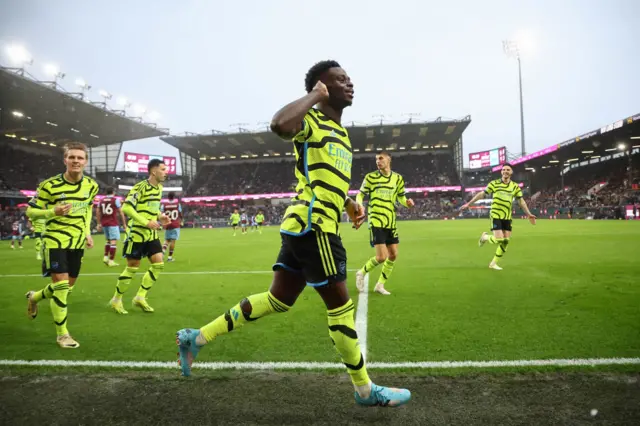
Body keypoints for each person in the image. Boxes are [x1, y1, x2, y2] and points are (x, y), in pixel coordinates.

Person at [176, 60, 411, 407]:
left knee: (277, 300)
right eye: (340, 80)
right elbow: (279, 125)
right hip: (315, 227)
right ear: (323, 86)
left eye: (349, 79)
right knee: (341, 310)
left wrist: (347, 202)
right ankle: (364, 390)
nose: (350, 84)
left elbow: (319, 175)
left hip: (303, 226)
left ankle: (196, 338)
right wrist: (314, 96)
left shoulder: (341, 134)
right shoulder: (311, 120)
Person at [24, 142, 99, 348]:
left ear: (85, 161)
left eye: (80, 158)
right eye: (72, 157)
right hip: (54, 240)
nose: (76, 161)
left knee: (66, 289)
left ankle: (35, 297)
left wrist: (87, 232)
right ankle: (62, 335)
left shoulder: (91, 186)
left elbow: (88, 210)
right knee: (62, 286)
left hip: (77, 241)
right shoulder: (49, 186)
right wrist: (51, 212)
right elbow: (30, 211)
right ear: (65, 159)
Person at [109, 159, 170, 314]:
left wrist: (160, 216)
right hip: (136, 233)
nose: (166, 172)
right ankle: (116, 300)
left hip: (151, 234)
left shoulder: (159, 188)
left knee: (158, 264)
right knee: (132, 268)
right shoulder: (140, 187)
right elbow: (126, 208)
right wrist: (145, 222)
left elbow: (152, 208)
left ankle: (140, 297)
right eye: (163, 169)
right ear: (153, 171)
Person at [355, 151, 414, 295]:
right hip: (376, 220)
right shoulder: (370, 177)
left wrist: (407, 203)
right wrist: (359, 205)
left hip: (391, 221)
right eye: (376, 159)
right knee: (382, 257)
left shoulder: (398, 178)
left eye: (380, 158)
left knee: (393, 255)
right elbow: (360, 194)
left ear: (389, 159)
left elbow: (400, 197)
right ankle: (361, 273)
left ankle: (380, 285)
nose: (378, 161)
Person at [460, 163, 536, 270]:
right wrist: (469, 203)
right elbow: (482, 194)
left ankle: (493, 263)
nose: (505, 171)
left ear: (511, 172)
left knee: (506, 241)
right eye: (504, 169)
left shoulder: (515, 187)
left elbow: (521, 201)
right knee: (500, 240)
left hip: (507, 217)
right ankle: (485, 237)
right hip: (496, 214)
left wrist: (528, 214)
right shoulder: (494, 184)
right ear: (501, 172)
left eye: (508, 170)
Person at [96, 186, 127, 267]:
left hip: (104, 223)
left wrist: (98, 223)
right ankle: (111, 261)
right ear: (113, 192)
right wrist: (124, 224)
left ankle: (106, 257)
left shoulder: (101, 200)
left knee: (108, 241)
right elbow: (121, 212)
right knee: (113, 242)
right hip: (112, 223)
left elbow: (98, 211)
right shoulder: (115, 200)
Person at [161, 192, 182, 262]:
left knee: (167, 240)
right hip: (175, 224)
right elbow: (180, 213)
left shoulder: (164, 205)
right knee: (173, 241)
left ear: (168, 197)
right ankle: (169, 258)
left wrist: (163, 223)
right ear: (174, 197)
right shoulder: (177, 204)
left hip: (168, 224)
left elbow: (161, 214)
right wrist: (181, 220)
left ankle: (162, 252)